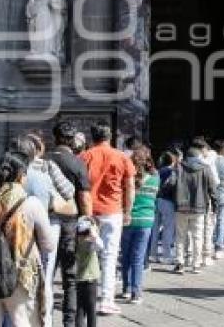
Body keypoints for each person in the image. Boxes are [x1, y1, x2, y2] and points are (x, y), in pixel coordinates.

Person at [0, 151, 55, 327]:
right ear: (20, 175)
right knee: (22, 321)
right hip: (21, 273)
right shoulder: (31, 204)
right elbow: (49, 245)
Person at [10, 131, 76, 327]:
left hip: (9, 236)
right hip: (39, 232)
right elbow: (69, 194)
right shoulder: (43, 174)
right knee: (42, 280)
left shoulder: (1, 174)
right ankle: (43, 321)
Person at [79, 123, 135, 316]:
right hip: (113, 211)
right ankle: (106, 300)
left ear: (92, 136)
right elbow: (130, 187)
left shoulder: (84, 156)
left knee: (87, 255)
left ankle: (86, 299)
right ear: (110, 137)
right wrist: (128, 211)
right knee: (110, 256)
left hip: (90, 212)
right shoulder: (122, 157)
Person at [46, 121, 93, 327]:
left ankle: (43, 319)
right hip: (70, 224)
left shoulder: (43, 160)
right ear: (73, 140)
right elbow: (84, 198)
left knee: (45, 274)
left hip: (45, 222)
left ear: (54, 137)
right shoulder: (77, 163)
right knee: (70, 278)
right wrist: (88, 224)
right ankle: (69, 322)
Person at [166, 145, 216, 274]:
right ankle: (196, 264)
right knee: (197, 236)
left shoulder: (178, 167)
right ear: (198, 156)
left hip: (181, 207)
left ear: (187, 156)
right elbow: (212, 189)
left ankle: (180, 263)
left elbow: (170, 184)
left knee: (180, 236)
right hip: (199, 208)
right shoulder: (206, 168)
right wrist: (214, 206)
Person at [120, 146, 159, 304]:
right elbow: (154, 198)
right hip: (146, 220)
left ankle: (126, 289)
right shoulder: (155, 178)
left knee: (126, 256)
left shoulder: (127, 178)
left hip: (127, 219)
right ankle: (136, 292)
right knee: (138, 257)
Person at [192, 137, 220, 265]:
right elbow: (215, 183)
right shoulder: (209, 160)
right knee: (207, 227)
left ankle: (193, 256)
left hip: (194, 198)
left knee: (194, 229)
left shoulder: (189, 161)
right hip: (206, 197)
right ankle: (205, 256)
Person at [149, 150, 178, 264]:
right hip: (168, 201)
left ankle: (152, 254)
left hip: (156, 200)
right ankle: (166, 255)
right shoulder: (172, 172)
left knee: (155, 228)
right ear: (173, 160)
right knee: (168, 229)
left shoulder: (157, 172)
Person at [75, 216, 103, 327]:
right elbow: (101, 245)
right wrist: (94, 235)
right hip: (91, 280)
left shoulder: (78, 243)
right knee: (91, 310)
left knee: (80, 309)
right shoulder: (90, 245)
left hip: (80, 279)